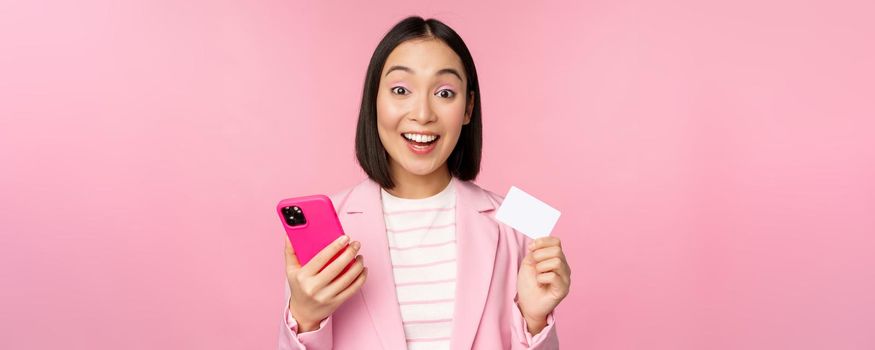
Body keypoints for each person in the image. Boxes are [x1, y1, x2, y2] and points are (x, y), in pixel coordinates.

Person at [279, 16, 570, 350]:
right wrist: (305, 316)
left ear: (468, 108)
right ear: (374, 101)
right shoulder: (329, 223)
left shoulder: (519, 222)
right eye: (401, 90)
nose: (422, 113)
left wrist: (535, 322)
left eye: (445, 92)